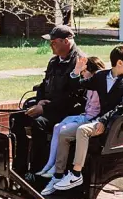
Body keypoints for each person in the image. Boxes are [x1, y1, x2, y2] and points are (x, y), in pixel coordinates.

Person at [44, 45, 123, 194]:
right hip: (97, 120)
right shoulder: (101, 76)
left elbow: (120, 108)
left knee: (82, 130)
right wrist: (76, 71)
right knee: (64, 133)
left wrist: (102, 121)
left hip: (111, 123)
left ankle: (76, 174)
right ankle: (58, 175)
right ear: (119, 63)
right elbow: (77, 86)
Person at [9, 25, 86, 176]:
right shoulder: (54, 62)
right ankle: (19, 166)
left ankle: (36, 171)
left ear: (66, 41)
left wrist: (45, 109)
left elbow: (73, 96)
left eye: (54, 42)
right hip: (47, 108)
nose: (51, 45)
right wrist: (39, 102)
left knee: (39, 123)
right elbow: (44, 85)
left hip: (67, 112)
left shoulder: (79, 62)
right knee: (16, 118)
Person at [35, 56, 107, 178]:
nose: (83, 75)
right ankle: (49, 164)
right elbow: (75, 85)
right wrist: (76, 71)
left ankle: (57, 168)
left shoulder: (100, 84)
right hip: (84, 116)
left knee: (63, 130)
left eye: (85, 72)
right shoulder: (89, 84)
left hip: (91, 120)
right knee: (57, 126)